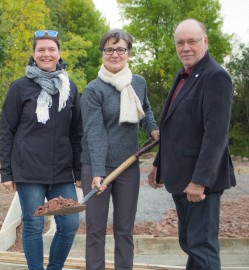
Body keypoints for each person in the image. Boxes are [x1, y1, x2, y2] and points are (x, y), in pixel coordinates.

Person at [148, 19, 236, 270]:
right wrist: (158, 164)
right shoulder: (184, 74)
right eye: (180, 42)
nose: (185, 47)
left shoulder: (215, 77)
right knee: (190, 243)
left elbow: (216, 135)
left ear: (205, 42)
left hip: (199, 181)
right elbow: (172, 127)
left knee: (202, 247)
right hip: (180, 177)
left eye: (192, 42)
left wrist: (200, 181)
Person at [0, 30, 82, 270]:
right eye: (41, 50)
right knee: (33, 224)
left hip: (63, 172)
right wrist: (7, 172)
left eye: (51, 49)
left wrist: (78, 171)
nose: (46, 54)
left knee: (69, 225)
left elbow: (77, 132)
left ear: (59, 53)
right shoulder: (19, 88)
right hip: (29, 170)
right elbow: (7, 131)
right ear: (34, 55)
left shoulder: (70, 88)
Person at [80, 29, 159, 270]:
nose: (115, 54)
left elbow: (144, 109)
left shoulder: (138, 83)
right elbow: (95, 133)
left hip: (128, 167)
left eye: (121, 49)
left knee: (125, 230)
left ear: (128, 52)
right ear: (102, 53)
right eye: (109, 49)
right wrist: (97, 170)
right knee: (95, 229)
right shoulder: (93, 90)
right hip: (96, 167)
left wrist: (153, 129)